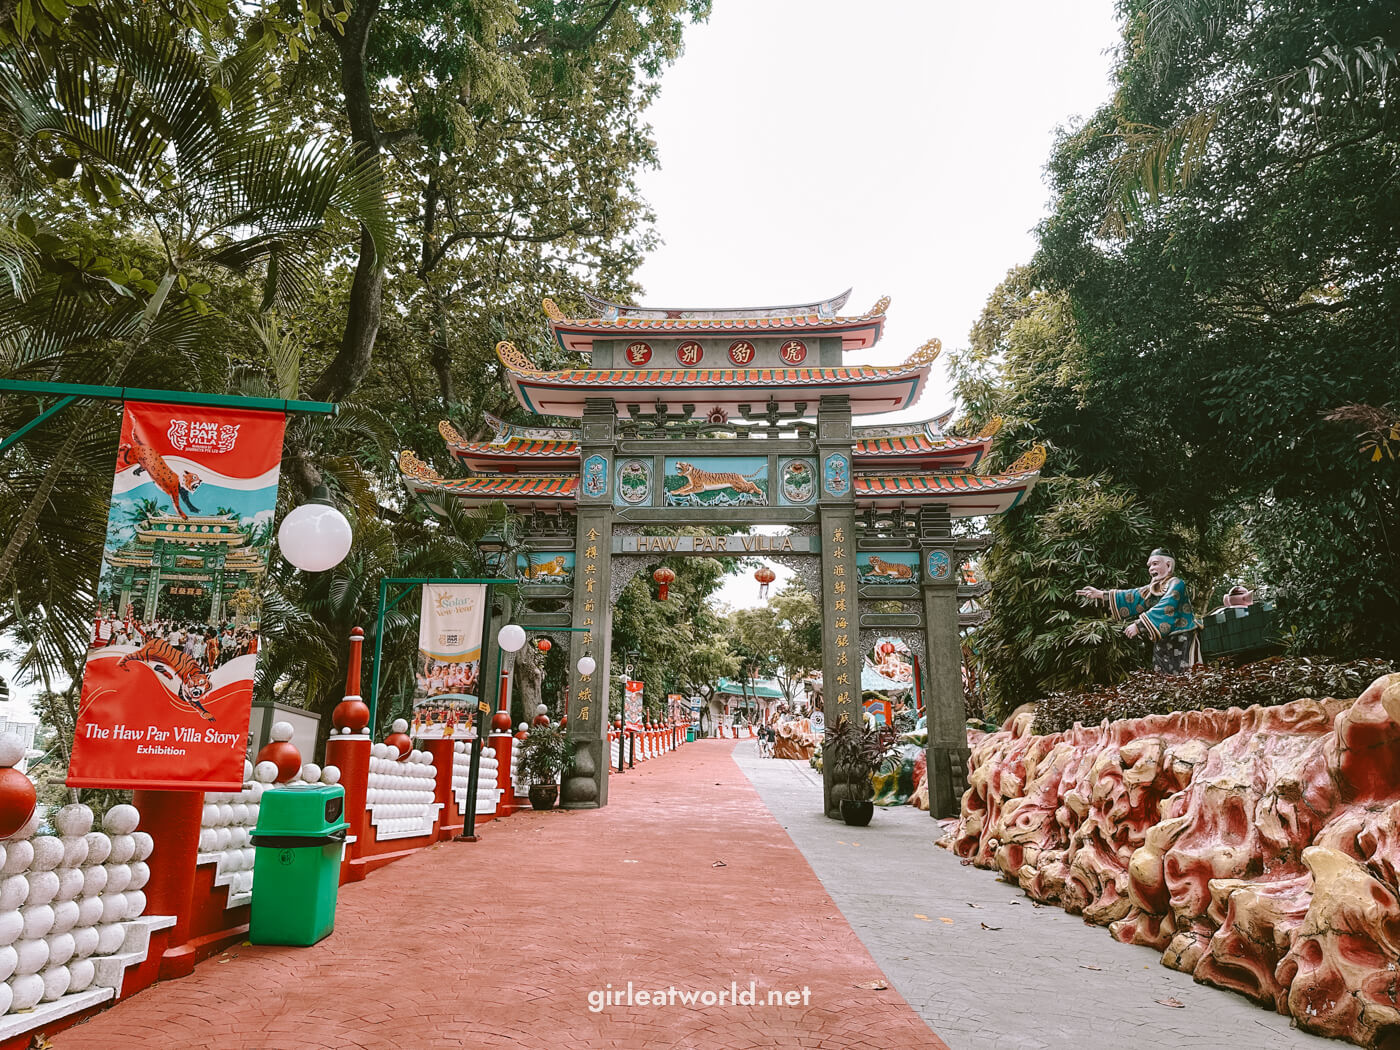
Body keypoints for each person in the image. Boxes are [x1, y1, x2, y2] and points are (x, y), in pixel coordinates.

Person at [1077, 547, 1203, 673]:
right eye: (1149, 566)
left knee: (1184, 675)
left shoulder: (1177, 583)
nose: (1151, 569)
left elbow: (1167, 606)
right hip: (1162, 637)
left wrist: (1139, 626)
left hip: (1182, 637)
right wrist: (1101, 594)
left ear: (1168, 565)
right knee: (1162, 676)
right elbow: (1133, 596)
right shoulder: (1153, 588)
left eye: (1155, 564)